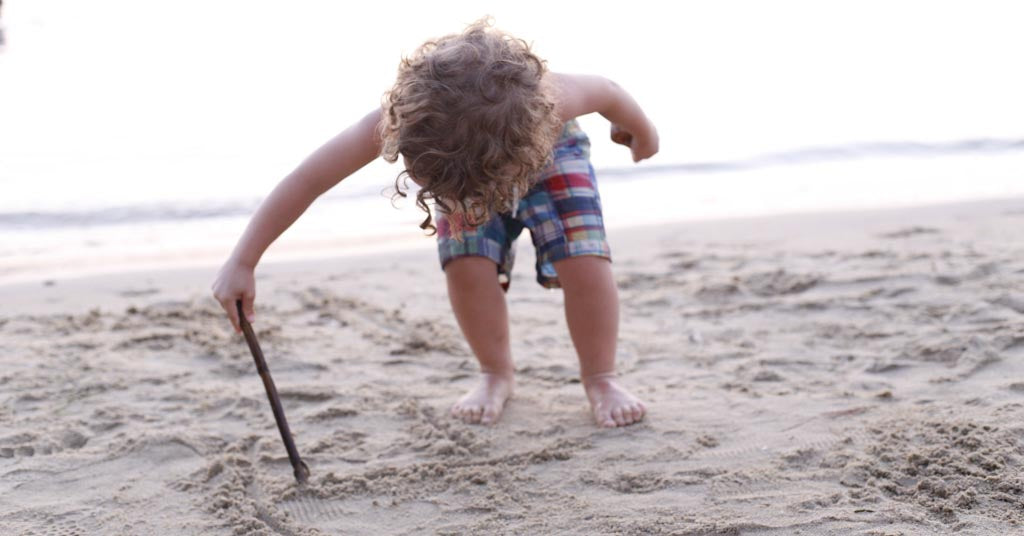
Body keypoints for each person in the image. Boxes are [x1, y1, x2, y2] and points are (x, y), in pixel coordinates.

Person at [212, 19, 658, 428]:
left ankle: (601, 376)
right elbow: (308, 180)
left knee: (584, 262)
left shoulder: (554, 97)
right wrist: (243, 260)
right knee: (465, 265)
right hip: (458, 173)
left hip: (552, 158)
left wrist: (642, 135)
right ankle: (494, 372)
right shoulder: (403, 123)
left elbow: (611, 91)